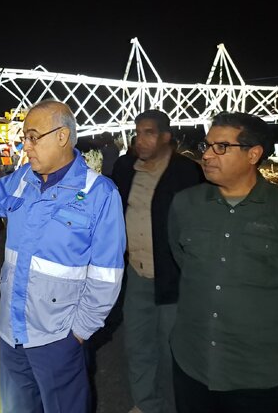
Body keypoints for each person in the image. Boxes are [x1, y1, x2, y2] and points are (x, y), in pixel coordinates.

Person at [0, 99, 126, 412]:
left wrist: (78, 333)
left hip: (57, 338)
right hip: (12, 332)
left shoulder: (99, 194)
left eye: (33, 137)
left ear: (62, 136)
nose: (26, 146)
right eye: (25, 138)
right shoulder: (23, 180)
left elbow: (106, 276)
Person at [168, 111, 278, 413]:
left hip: (259, 374)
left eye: (221, 147)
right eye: (207, 145)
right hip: (193, 365)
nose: (206, 155)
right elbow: (181, 257)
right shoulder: (185, 204)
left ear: (253, 154)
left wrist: (270, 308)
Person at [111, 109, 204, 413]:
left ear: (166, 137)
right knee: (137, 345)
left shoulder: (188, 173)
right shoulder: (125, 168)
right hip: (136, 274)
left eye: (149, 132)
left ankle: (174, 406)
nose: (140, 139)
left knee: (172, 350)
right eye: (137, 133)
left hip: (173, 279)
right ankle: (146, 404)